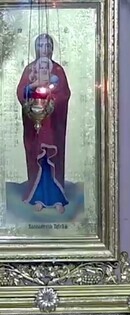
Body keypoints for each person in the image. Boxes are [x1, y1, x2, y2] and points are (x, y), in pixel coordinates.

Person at [16, 33, 71, 214]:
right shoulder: (30, 70)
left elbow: (64, 94)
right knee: (37, 158)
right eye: (41, 45)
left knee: (53, 159)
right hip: (35, 126)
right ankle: (36, 198)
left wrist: (51, 97)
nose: (44, 49)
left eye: (48, 45)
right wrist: (33, 88)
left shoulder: (57, 70)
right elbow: (21, 92)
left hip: (53, 125)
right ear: (36, 48)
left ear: (52, 48)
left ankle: (57, 200)